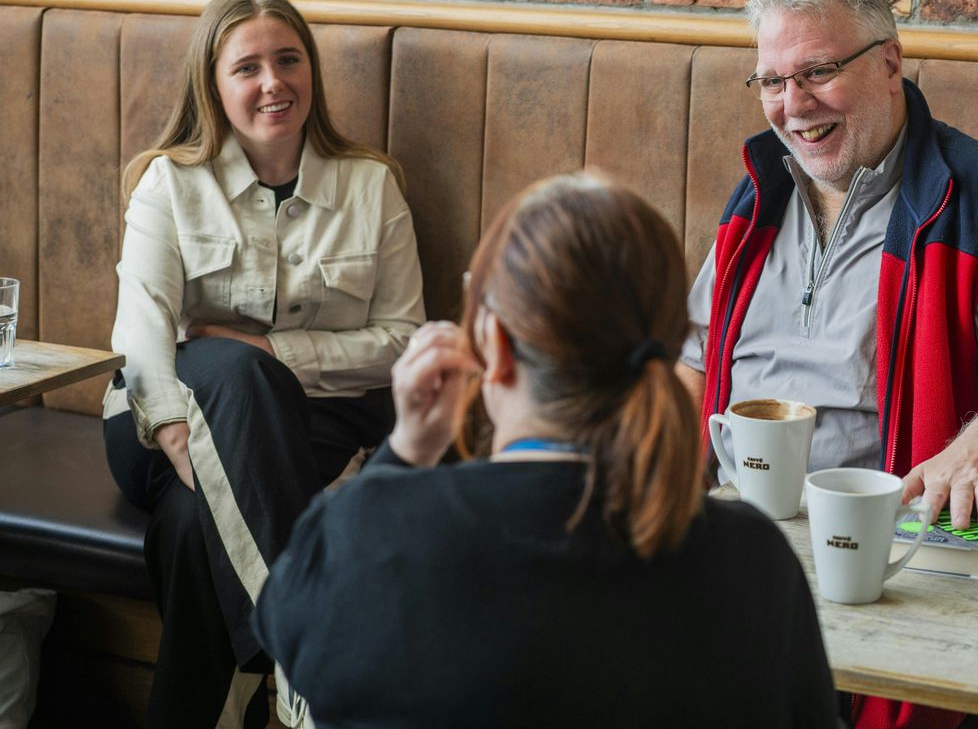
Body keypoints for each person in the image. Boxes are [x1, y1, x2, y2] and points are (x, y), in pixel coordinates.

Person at [676, 0, 978, 729]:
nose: (792, 104)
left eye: (816, 71)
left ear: (889, 63)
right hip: (738, 544)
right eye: (772, 81)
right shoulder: (761, 192)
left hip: (892, 561)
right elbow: (694, 357)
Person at [252, 173, 842, 729]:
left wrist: (404, 453)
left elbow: (282, 628)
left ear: (496, 346)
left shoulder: (373, 532)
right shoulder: (753, 560)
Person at [102, 0, 425, 729]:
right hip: (161, 423)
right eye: (247, 67)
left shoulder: (372, 186)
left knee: (193, 523)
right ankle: (303, 654)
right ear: (213, 87)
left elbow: (405, 341)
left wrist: (270, 349)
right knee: (232, 380)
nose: (273, 82)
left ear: (310, 70)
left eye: (289, 59)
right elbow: (143, 327)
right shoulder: (171, 182)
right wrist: (183, 436)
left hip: (307, 432)